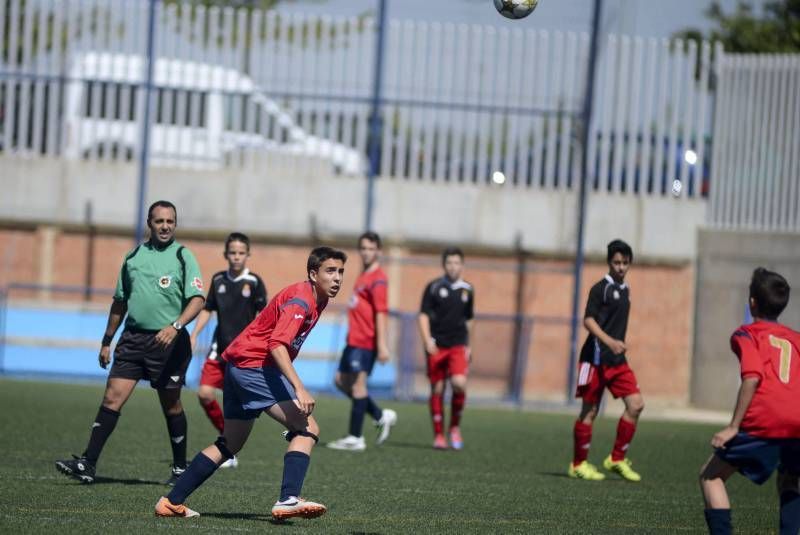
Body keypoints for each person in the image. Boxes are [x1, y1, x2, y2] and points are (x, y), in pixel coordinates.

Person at [154, 246, 347, 521]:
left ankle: (171, 502)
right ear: (313, 274)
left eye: (340, 272)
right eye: (330, 271)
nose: (338, 277)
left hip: (239, 366)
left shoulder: (318, 298)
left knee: (229, 443)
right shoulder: (302, 301)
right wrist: (299, 387)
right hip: (254, 367)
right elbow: (277, 345)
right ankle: (288, 498)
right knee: (307, 427)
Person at [55, 200, 205, 485]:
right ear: (149, 223)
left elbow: (197, 300)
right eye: (159, 221)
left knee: (171, 404)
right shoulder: (133, 257)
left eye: (170, 221)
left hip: (170, 343)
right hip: (133, 340)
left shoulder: (184, 256)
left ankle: (179, 469)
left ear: (175, 224)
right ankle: (87, 463)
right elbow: (119, 302)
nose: (165, 226)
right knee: (112, 397)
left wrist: (176, 326)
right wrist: (106, 340)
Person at [699, 268, 800, 535]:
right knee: (790, 478)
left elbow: (752, 377)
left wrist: (734, 426)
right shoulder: (796, 339)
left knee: (711, 476)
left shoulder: (746, 334)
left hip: (765, 421)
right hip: (797, 424)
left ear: (752, 302)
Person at [569, 239, 644, 482]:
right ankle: (578, 464)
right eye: (616, 262)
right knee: (589, 412)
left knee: (636, 405)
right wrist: (609, 341)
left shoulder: (626, 290)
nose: (621, 267)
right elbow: (588, 320)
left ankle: (616, 459)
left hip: (617, 361)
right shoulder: (600, 288)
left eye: (625, 263)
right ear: (609, 263)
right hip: (594, 359)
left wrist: (616, 345)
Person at [190, 232, 267, 468]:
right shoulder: (218, 280)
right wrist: (193, 335)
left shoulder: (254, 282)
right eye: (232, 253)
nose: (236, 257)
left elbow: (264, 315)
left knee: (244, 407)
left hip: (244, 355)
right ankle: (227, 444)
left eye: (241, 253)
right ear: (226, 254)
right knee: (204, 394)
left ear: (247, 255)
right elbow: (207, 308)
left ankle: (228, 448)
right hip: (218, 350)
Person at [328, 232, 397, 451]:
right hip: (353, 340)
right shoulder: (363, 275)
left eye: (370, 248)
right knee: (340, 381)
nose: (366, 252)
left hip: (366, 341)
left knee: (358, 386)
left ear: (378, 251)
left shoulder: (378, 279)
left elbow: (381, 313)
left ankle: (355, 437)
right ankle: (379, 415)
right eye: (363, 248)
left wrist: (383, 346)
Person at [418, 246, 474, 450]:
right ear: (444, 265)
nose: (453, 266)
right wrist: (427, 341)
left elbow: (469, 319)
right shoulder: (433, 287)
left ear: (462, 265)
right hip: (437, 345)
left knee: (459, 383)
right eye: (449, 262)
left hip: (458, 345)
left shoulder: (468, 289)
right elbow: (423, 315)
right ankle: (439, 435)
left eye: (456, 263)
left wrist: (469, 345)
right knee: (438, 388)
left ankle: (455, 428)